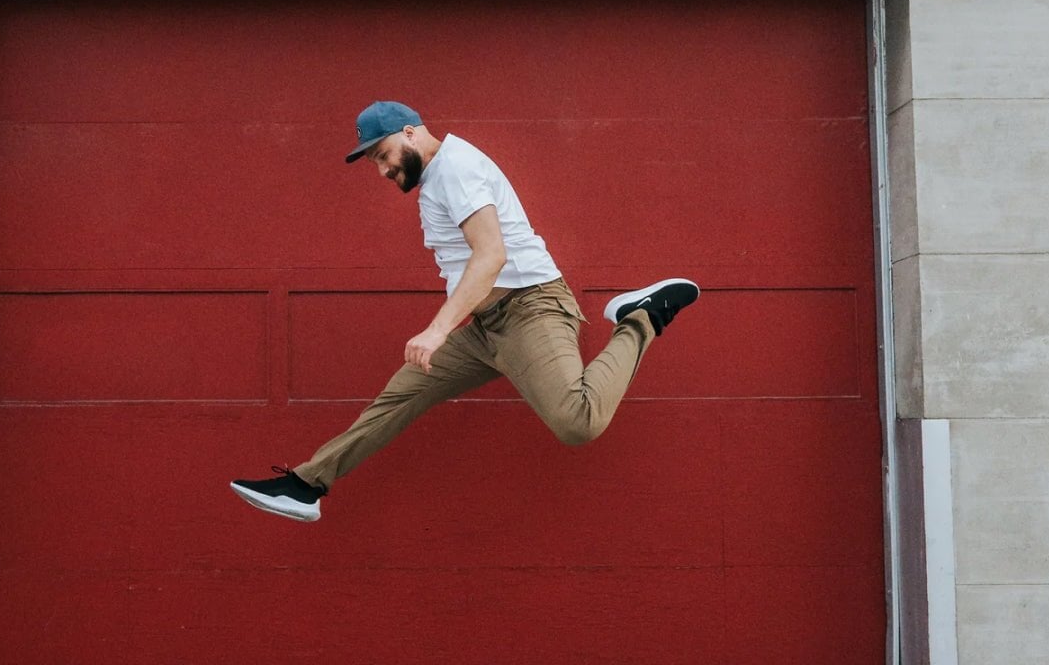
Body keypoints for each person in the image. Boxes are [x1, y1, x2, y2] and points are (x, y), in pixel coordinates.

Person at [230, 101, 699, 522]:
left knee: (577, 422)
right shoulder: (438, 177)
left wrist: (437, 331)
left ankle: (642, 317)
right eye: (373, 161)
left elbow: (490, 255)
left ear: (411, 132)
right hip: (485, 326)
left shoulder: (456, 168)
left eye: (383, 155)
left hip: (531, 309)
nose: (382, 170)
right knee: (401, 396)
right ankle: (308, 484)